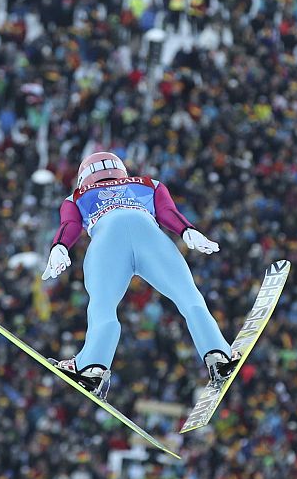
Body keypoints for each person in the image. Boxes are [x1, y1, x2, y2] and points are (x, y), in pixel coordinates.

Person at [42, 152, 238, 397]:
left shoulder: (76, 196)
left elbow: (69, 226)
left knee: (102, 308)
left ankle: (92, 366)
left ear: (84, 177)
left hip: (107, 241)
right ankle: (218, 354)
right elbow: (167, 211)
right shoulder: (148, 184)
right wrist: (188, 230)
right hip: (150, 237)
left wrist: (59, 247)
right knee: (189, 297)